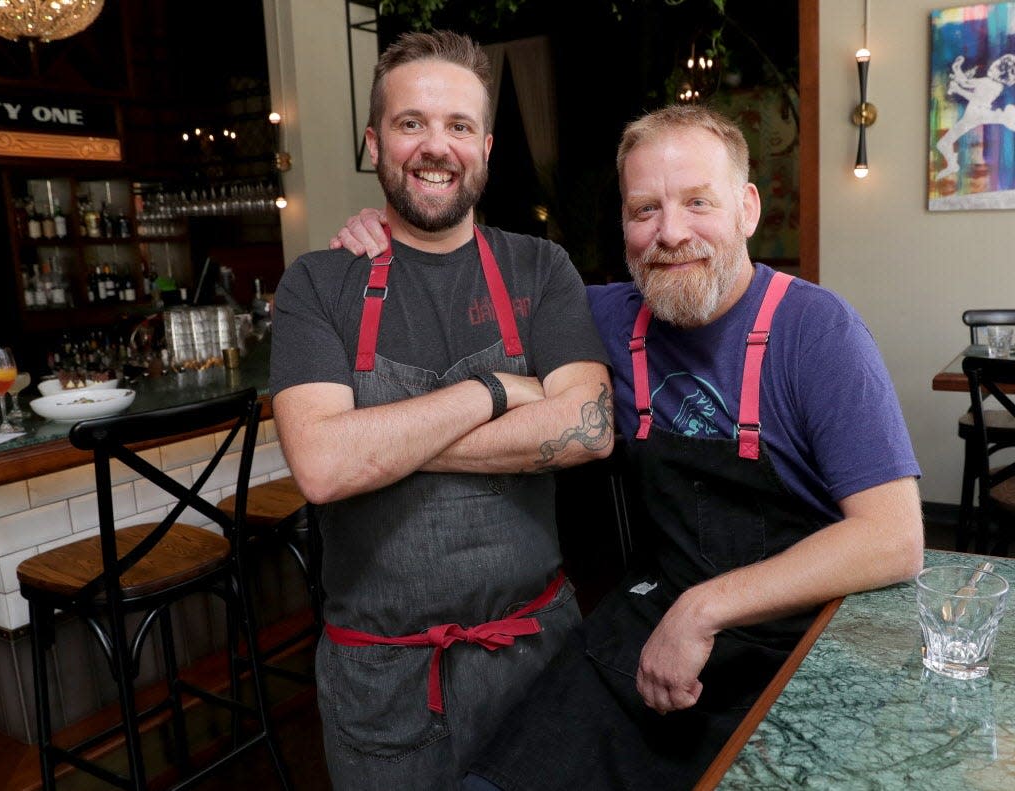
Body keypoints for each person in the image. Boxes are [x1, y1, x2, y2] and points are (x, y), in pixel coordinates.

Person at [334, 104, 924, 790]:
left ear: (748, 209)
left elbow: (894, 537)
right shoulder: (604, 317)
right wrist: (394, 238)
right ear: (623, 225)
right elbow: (468, 280)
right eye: (645, 209)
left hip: (805, 637)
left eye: (697, 202)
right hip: (651, 612)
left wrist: (703, 609)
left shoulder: (817, 331)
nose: (670, 233)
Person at [269, 30, 614, 790]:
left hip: (539, 659)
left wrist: (376, 444)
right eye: (410, 123)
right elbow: (323, 470)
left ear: (485, 146)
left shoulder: (540, 267)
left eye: (459, 126)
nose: (437, 146)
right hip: (383, 688)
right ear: (373, 142)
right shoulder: (318, 284)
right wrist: (490, 392)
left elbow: (588, 428)